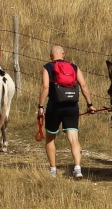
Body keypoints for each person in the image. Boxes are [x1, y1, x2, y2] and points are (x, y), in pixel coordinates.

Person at [37, 45, 96, 179]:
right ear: (64, 55)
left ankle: (53, 170)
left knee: (50, 138)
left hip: (54, 106)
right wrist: (90, 104)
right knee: (73, 138)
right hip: (72, 106)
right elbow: (84, 85)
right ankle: (77, 168)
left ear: (50, 56)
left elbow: (45, 87)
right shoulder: (74, 67)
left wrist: (40, 106)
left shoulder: (47, 67)